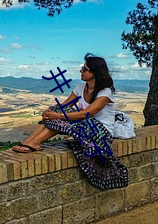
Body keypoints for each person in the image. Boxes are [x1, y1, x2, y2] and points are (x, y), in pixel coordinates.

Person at [12, 53, 128, 189]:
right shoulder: (80, 88)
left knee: (60, 116)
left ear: (95, 72)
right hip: (86, 125)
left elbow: (86, 114)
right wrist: (50, 113)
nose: (81, 71)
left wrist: (57, 115)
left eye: (85, 69)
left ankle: (35, 142)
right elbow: (64, 106)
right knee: (56, 110)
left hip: (100, 132)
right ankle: (30, 141)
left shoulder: (105, 91)